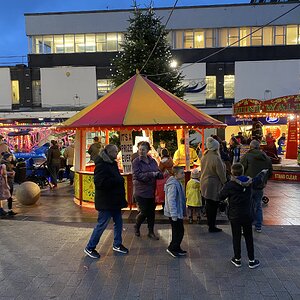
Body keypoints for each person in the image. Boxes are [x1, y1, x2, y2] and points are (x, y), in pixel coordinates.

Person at [219, 163, 268, 269]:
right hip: (247, 214)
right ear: (242, 171)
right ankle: (251, 260)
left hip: (234, 214)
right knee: (249, 237)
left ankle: (237, 259)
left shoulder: (230, 185)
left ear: (232, 172)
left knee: (236, 237)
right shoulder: (249, 182)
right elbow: (258, 179)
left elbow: (221, 196)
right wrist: (262, 173)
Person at [84, 144, 128, 259]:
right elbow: (99, 182)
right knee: (102, 224)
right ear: (108, 152)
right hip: (106, 201)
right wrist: (116, 180)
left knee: (118, 222)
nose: (116, 154)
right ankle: (90, 247)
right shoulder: (102, 165)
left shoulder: (111, 163)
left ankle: (117, 244)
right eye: (115, 151)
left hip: (114, 200)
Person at [240, 140, 273, 233]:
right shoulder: (266, 157)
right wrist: (264, 181)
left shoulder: (247, 156)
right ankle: (258, 226)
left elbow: (241, 169)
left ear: (251, 147)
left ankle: (245, 227)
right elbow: (270, 172)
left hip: (249, 185)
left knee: (246, 206)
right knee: (258, 206)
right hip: (260, 186)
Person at [132, 141, 163, 240]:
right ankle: (137, 225)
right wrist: (151, 174)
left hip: (152, 190)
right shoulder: (136, 162)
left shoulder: (153, 161)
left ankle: (151, 231)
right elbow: (138, 176)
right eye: (140, 149)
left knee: (151, 212)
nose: (141, 151)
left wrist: (159, 174)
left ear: (148, 150)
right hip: (141, 191)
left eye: (143, 149)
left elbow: (157, 171)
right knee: (144, 211)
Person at [200, 137, 227, 233]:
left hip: (204, 183)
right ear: (216, 147)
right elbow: (221, 174)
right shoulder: (216, 158)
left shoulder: (204, 156)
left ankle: (210, 224)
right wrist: (225, 183)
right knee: (213, 206)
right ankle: (212, 226)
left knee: (208, 205)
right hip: (213, 185)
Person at [164, 166, 187, 257]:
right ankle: (172, 248)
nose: (184, 174)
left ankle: (176, 247)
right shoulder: (173, 184)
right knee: (178, 231)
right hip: (175, 213)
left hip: (177, 212)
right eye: (182, 173)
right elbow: (171, 200)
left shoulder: (177, 182)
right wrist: (174, 214)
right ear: (176, 174)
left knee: (178, 230)